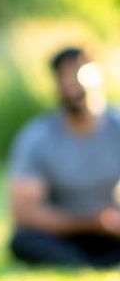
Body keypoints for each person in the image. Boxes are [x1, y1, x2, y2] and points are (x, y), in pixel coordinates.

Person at [7, 46, 120, 268]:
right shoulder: (37, 137)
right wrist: (90, 222)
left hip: (111, 231)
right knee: (23, 241)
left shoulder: (116, 127)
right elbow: (25, 212)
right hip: (62, 233)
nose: (76, 87)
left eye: (80, 75)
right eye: (66, 78)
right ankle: (85, 264)